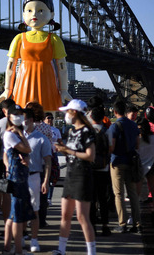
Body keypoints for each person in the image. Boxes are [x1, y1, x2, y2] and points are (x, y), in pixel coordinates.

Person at [0, 0, 72, 111]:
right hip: (24, 79)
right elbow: (10, 66)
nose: (34, 13)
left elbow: (62, 67)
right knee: (24, 110)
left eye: (41, 10)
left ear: (51, 15)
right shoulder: (19, 38)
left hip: (46, 80)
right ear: (23, 14)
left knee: (47, 111)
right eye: (29, 10)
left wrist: (64, 90)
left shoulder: (54, 39)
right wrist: (7, 90)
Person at [52, 99, 96, 255]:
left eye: (67, 111)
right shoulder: (72, 131)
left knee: (82, 216)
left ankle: (91, 251)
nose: (65, 115)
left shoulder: (87, 132)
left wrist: (68, 151)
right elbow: (72, 153)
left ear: (75, 112)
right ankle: (61, 249)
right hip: (71, 174)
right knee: (65, 215)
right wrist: (62, 149)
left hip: (82, 175)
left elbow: (90, 156)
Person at [1, 107, 34, 255]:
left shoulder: (11, 134)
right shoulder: (11, 135)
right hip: (17, 177)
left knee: (13, 214)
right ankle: (18, 250)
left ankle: (8, 247)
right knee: (17, 216)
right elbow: (27, 149)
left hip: (18, 174)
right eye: (17, 115)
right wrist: (21, 133)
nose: (21, 118)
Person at [109, 100, 141, 234]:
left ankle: (123, 224)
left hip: (117, 162)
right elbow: (138, 145)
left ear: (115, 112)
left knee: (119, 194)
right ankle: (137, 224)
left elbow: (112, 147)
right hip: (131, 162)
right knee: (133, 193)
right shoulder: (134, 126)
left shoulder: (114, 127)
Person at [22, 107, 52, 252]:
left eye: (24, 119)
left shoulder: (41, 138)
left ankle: (34, 240)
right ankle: (21, 236)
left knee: (34, 210)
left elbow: (48, 161)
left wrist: (45, 181)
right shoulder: (16, 136)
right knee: (20, 209)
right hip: (19, 177)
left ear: (31, 120)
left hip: (34, 176)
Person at [88, 105, 112, 236]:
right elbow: (111, 149)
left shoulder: (87, 131)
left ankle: (92, 226)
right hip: (104, 168)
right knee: (103, 198)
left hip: (90, 169)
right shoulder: (107, 131)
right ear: (103, 117)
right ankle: (105, 226)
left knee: (91, 199)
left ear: (91, 117)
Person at [0, 98, 16, 225]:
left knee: (3, 191)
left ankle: (7, 222)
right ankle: (21, 227)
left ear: (3, 110)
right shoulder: (23, 121)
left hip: (1, 161)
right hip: (21, 163)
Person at [136, 118, 154, 227]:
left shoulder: (137, 138)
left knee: (136, 194)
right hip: (152, 166)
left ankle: (136, 216)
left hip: (139, 167)